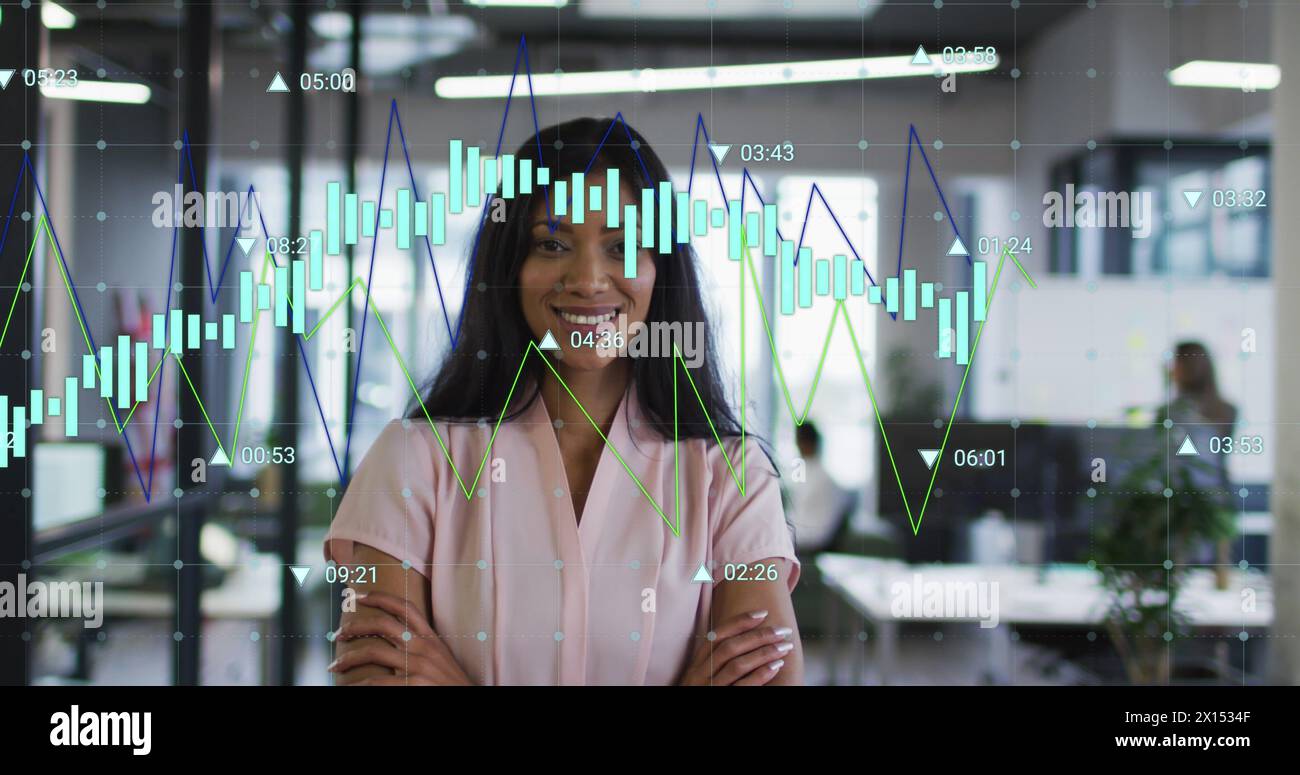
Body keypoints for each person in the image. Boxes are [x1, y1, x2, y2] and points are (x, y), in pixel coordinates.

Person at [323, 117, 802, 685]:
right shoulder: (413, 459)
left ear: (660, 269)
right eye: (552, 244)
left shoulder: (732, 476)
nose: (588, 280)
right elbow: (377, 676)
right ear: (509, 266)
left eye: (622, 246)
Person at [788, 422, 854, 553]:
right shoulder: (803, 472)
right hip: (799, 535)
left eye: (798, 441)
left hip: (812, 541)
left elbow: (822, 530)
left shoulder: (823, 478)